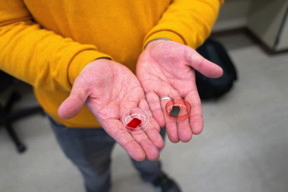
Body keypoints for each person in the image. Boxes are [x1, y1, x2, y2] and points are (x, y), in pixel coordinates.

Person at [0, 0, 224, 192]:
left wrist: (172, 36)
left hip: (154, 99)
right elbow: (5, 27)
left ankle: (153, 176)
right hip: (74, 113)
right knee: (92, 169)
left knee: (150, 153)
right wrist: (77, 65)